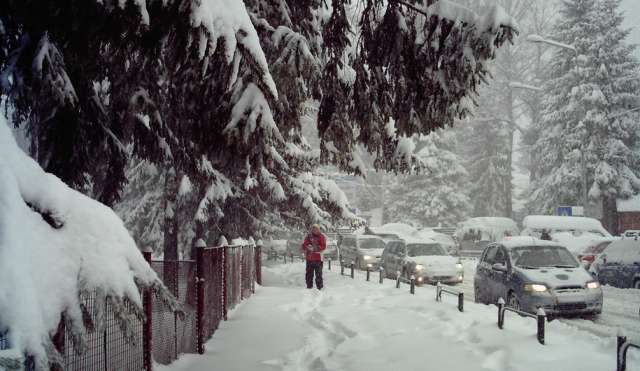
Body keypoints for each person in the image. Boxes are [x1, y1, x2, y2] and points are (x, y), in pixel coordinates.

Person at [302, 224, 327, 290]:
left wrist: (316, 248)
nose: (315, 230)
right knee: (309, 274)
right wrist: (308, 247)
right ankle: (309, 287)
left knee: (318, 274)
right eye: (313, 229)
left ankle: (319, 288)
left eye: (316, 229)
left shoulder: (321, 236)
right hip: (309, 258)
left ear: (319, 229)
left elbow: (323, 246)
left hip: (318, 259)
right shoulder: (308, 236)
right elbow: (304, 245)